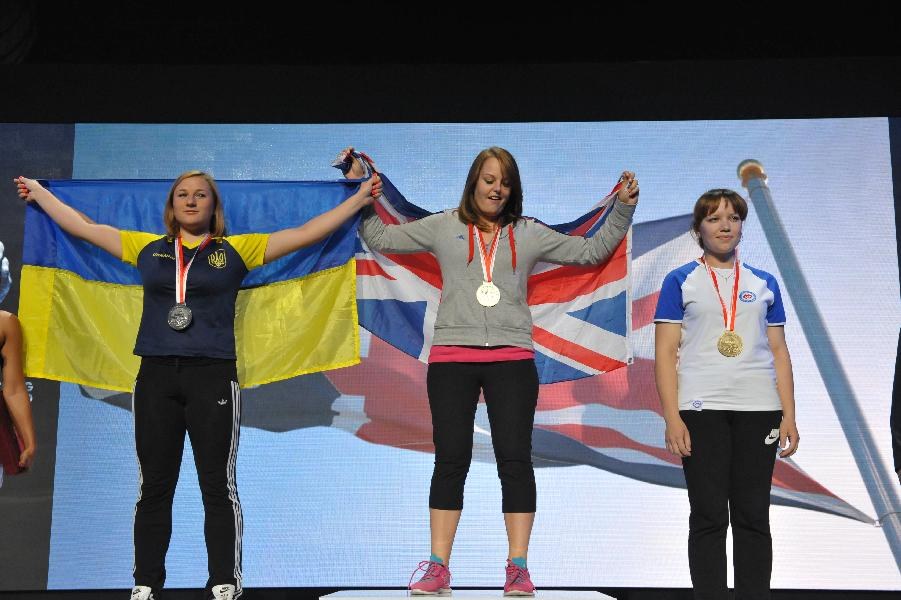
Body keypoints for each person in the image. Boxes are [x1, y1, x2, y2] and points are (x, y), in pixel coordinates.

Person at [15, 171, 379, 600]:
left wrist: (356, 202)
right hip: (155, 376)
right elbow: (85, 228)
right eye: (183, 195)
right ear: (172, 206)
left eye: (200, 195)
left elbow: (303, 233)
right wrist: (40, 194)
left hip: (213, 376)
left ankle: (224, 581)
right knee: (153, 485)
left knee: (216, 484)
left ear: (212, 206)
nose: (191, 201)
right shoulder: (146, 248)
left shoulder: (235, 250)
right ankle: (146, 582)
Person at [344, 147, 638, 596]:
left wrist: (623, 208)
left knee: (515, 461)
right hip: (451, 359)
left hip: (512, 360)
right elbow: (382, 239)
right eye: (488, 179)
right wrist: (358, 187)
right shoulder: (444, 226)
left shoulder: (529, 233)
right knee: (451, 460)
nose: (496, 188)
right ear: (473, 183)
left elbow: (593, 251)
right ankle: (437, 566)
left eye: (504, 181)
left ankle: (517, 567)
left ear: (512, 188)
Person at [654, 188, 799, 599]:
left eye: (733, 218)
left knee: (753, 516)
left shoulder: (764, 282)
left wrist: (789, 414)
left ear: (741, 226)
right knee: (708, 515)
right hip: (700, 411)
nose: (725, 226)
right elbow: (665, 353)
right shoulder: (680, 280)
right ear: (699, 228)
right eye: (715, 218)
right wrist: (672, 417)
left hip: (760, 411)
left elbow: (778, 352)